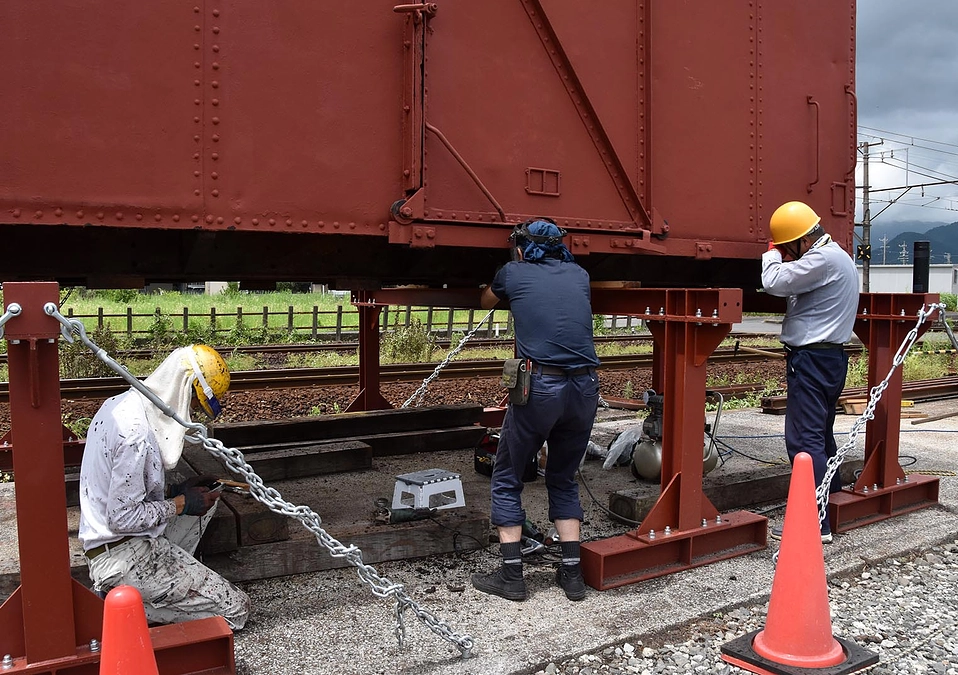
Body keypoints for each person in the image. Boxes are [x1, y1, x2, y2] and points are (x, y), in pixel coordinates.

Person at [471, 218, 601, 601]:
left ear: (522, 247)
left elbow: (485, 301)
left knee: (508, 474)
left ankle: (512, 576)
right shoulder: (580, 274)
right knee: (562, 477)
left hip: (542, 386)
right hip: (585, 386)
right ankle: (572, 576)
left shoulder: (512, 272)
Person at [78, 344, 251, 629]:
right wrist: (181, 503)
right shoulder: (135, 435)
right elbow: (121, 517)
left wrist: (175, 491)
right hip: (122, 555)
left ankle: (171, 583)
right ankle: (128, 606)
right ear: (184, 389)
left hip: (123, 543)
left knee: (209, 500)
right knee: (237, 610)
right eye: (195, 405)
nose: (192, 414)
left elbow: (121, 490)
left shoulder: (122, 404)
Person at [761, 201, 860, 544]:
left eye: (788, 247)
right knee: (821, 435)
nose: (787, 254)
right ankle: (829, 500)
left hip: (812, 361)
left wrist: (771, 253)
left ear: (801, 241)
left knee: (804, 442)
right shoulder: (840, 257)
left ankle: (814, 523)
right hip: (829, 359)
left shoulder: (822, 259)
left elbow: (774, 281)